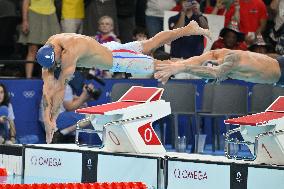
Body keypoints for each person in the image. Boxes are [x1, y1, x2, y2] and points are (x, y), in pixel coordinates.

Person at [36, 20, 211, 143]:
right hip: (109, 49)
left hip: (117, 59)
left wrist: (52, 120)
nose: (57, 65)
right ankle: (189, 28)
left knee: (160, 65)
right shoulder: (50, 47)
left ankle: (203, 66)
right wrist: (47, 119)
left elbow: (59, 88)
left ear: (59, 53)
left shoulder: (69, 52)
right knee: (150, 44)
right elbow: (47, 89)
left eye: (57, 61)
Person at [154, 48, 283, 85]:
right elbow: (198, 60)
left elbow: (214, 73)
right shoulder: (216, 53)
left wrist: (181, 68)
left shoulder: (233, 58)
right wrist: (175, 64)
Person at [18, 0, 60, 78]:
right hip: (34, 14)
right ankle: (28, 79)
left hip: (51, 15)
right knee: (32, 49)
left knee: (49, 50)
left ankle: (45, 78)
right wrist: (25, 20)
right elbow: (26, 2)